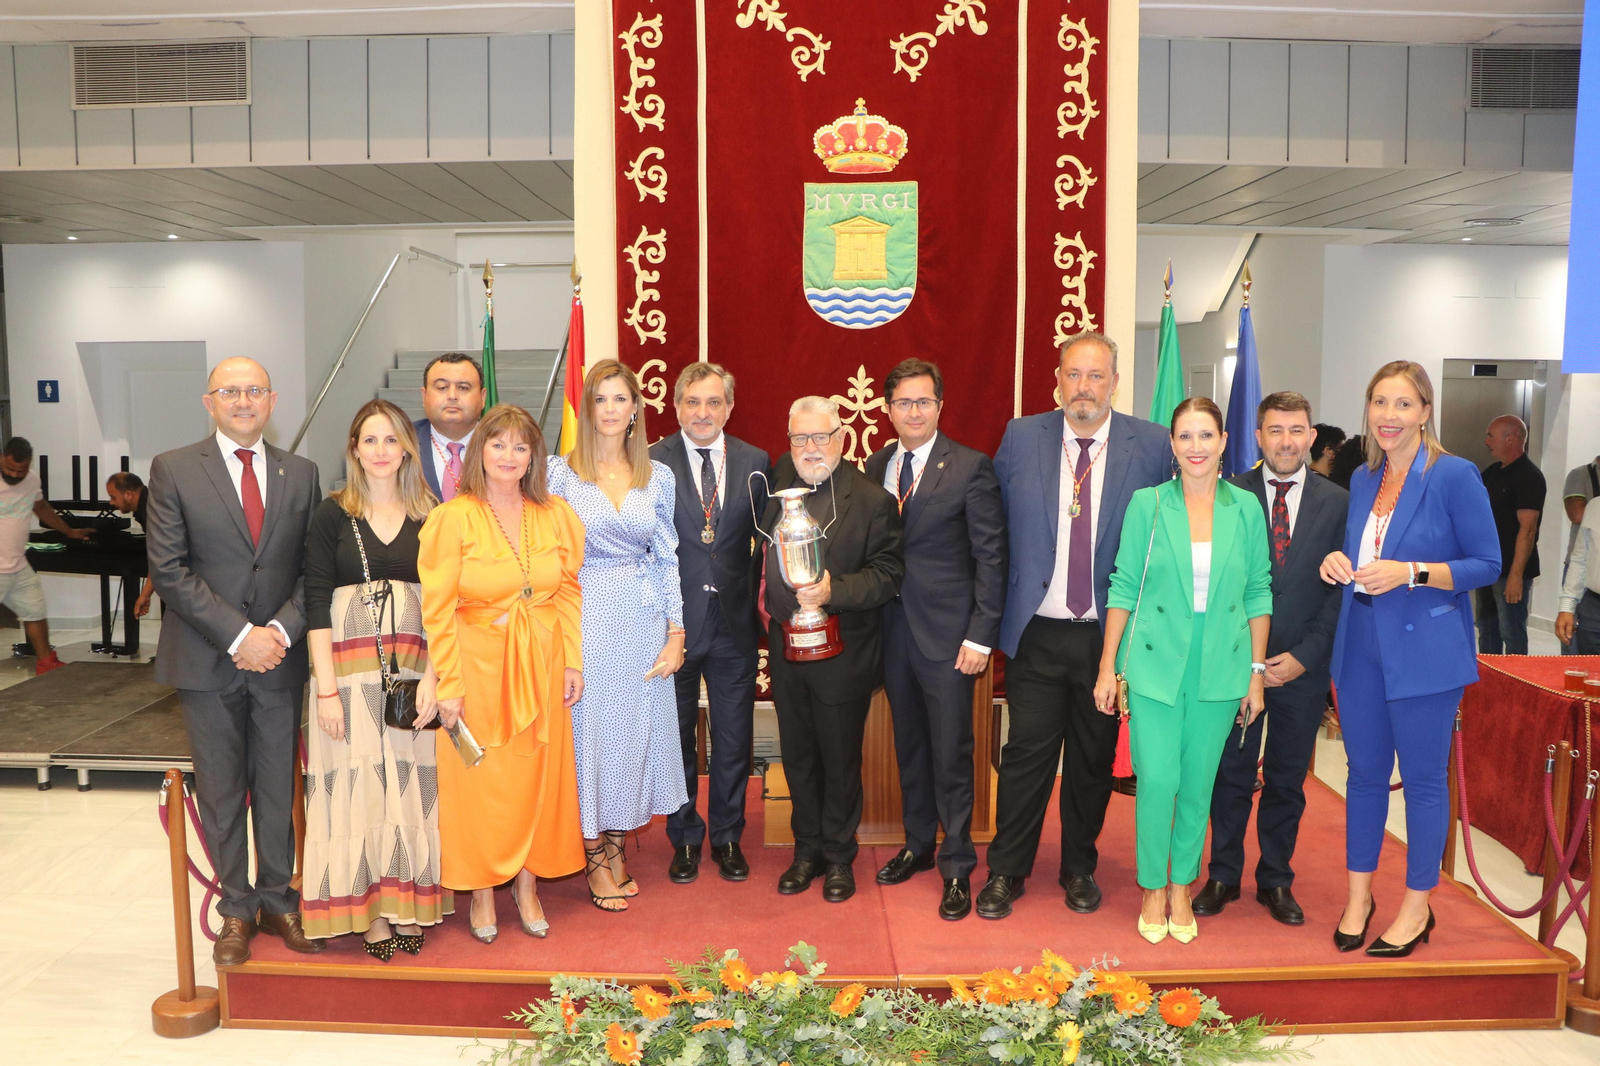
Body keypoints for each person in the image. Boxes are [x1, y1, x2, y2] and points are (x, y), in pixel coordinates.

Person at [979, 332, 1171, 921]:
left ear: (1115, 382)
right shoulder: (1021, 437)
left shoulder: (1153, 445)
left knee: (1091, 759)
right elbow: (995, 528)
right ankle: (1007, 870)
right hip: (1037, 631)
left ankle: (1078, 867)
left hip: (1106, 638)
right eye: (1073, 374)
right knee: (1026, 756)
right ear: (1056, 381)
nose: (1083, 387)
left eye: (1096, 375)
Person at [145, 358, 324, 965]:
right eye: (230, 391)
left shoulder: (300, 472)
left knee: (277, 786)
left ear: (272, 400)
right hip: (206, 660)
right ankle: (236, 911)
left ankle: (278, 900)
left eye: (254, 391)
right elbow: (167, 569)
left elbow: (312, 569)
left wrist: (276, 631)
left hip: (280, 658)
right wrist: (239, 634)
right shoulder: (172, 469)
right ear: (209, 401)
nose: (243, 401)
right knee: (222, 792)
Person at [1321, 360, 1499, 957]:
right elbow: (1361, 554)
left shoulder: (1455, 475)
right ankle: (1358, 898)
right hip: (1362, 646)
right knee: (1364, 778)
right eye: (1378, 403)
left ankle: (1417, 908)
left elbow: (1486, 564)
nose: (1388, 416)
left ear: (1425, 411)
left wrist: (1413, 572)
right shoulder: (1366, 477)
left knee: (1423, 784)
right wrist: (1336, 564)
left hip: (1425, 651)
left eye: (1402, 404)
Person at [1092, 397, 1271, 944]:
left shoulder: (1245, 509)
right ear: (1172, 446)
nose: (1196, 447)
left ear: (1222, 442)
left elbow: (1259, 590)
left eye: (1206, 436)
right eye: (1185, 436)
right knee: (1160, 780)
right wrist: (1106, 667)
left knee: (1197, 784)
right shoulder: (1148, 504)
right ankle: (1151, 884)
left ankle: (1180, 885)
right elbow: (1123, 586)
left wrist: (1256, 673)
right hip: (1152, 664)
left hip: (1222, 665)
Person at [419, 403, 585, 942]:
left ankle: (529, 884)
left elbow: (568, 592)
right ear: (478, 452)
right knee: (481, 781)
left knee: (538, 774)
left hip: (543, 664)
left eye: (521, 446)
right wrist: (449, 682)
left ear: (534, 454)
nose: (509, 456)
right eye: (498, 444)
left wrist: (574, 661)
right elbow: (437, 610)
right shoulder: (453, 517)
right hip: (478, 667)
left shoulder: (555, 513)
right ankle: (483, 891)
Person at [300, 400, 449, 959]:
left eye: (391, 440)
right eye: (370, 440)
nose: (381, 451)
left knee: (408, 787)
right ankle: (368, 915)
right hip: (344, 675)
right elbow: (316, 602)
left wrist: (436, 677)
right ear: (354, 449)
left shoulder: (432, 515)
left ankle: (407, 904)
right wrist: (325, 690)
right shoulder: (331, 514)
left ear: (408, 448)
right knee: (357, 790)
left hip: (411, 677)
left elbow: (445, 604)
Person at [1193, 392, 1348, 927]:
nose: (1286, 440)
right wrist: (1248, 661)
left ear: (1311, 437)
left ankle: (1276, 879)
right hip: (1239, 667)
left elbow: (1341, 596)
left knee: (1286, 779)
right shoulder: (1227, 495)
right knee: (1230, 774)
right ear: (1258, 437)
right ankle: (1222, 875)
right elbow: (1214, 588)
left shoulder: (1339, 502)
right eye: (1275, 430)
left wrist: (1305, 658)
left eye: (1296, 430)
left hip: (1303, 669)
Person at [862, 359, 1006, 921]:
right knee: (910, 748)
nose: (913, 412)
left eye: (923, 402)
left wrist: (981, 634)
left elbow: (991, 557)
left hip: (951, 638)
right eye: (902, 403)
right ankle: (918, 844)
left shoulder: (970, 467)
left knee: (952, 753)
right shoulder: (876, 466)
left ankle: (957, 864)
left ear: (939, 408)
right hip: (890, 634)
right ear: (888, 409)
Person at [548, 360, 688, 912]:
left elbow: (668, 560)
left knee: (630, 738)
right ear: (588, 409)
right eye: (600, 399)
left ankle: (614, 842)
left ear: (636, 409)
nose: (610, 409)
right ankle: (594, 854)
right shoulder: (559, 474)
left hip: (642, 619)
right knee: (589, 738)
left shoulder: (659, 476)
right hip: (582, 617)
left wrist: (676, 632)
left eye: (620, 399)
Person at [762, 396, 904, 903]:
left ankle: (840, 857)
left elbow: (888, 576)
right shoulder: (777, 486)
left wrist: (832, 592)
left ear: (842, 439)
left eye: (821, 437)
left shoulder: (871, 501)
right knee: (797, 756)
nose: (810, 448)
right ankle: (807, 853)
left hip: (844, 655)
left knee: (840, 760)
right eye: (800, 438)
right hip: (786, 649)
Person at [650, 363, 770, 885]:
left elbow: (769, 543)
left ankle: (726, 837)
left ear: (729, 407)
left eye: (714, 402)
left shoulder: (755, 461)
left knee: (733, 738)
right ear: (676, 406)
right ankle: (684, 839)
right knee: (676, 739)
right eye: (693, 402)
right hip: (671, 625)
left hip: (734, 624)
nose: (703, 412)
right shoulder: (651, 461)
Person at [1, 436, 92, 675]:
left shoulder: (31, 481)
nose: (16, 474)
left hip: (18, 566)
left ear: (29, 464)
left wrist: (69, 531)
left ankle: (45, 663)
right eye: (10, 468)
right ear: (2, 458)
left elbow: (41, 508)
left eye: (21, 470)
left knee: (36, 612)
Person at [1477, 415, 1545, 655]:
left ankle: (1516, 687)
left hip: (1511, 572)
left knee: (1512, 632)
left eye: (1490, 435)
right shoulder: (1492, 473)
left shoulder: (1529, 476)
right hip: (1488, 567)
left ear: (1511, 438)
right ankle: (1489, 685)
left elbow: (1527, 530)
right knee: (1486, 629)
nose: (1486, 441)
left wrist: (1516, 575)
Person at [414, 353, 486, 503]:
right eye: (442, 387)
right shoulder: (402, 442)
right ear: (424, 396)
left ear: (482, 397)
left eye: (463, 388)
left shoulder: (504, 446)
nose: (452, 396)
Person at [106, 471, 156, 618]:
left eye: (113, 497)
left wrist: (144, 595)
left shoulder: (151, 509)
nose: (111, 502)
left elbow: (161, 557)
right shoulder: (148, 504)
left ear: (129, 494)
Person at [1557, 501, 1600, 654]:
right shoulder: (1595, 507)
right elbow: (1580, 560)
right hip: (1593, 611)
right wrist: (1566, 607)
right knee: (1589, 674)